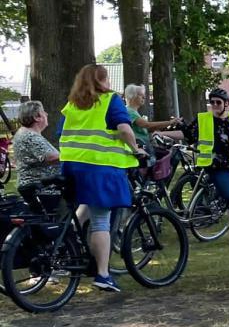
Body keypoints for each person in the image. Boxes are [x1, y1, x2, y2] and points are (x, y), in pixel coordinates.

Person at [57, 64, 146, 293]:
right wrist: (136, 149)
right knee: (100, 222)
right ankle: (103, 274)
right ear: (102, 81)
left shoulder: (72, 104)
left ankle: (66, 247)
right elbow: (125, 130)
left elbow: (61, 133)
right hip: (98, 167)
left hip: (71, 166)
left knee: (84, 208)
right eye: (106, 79)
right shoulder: (109, 100)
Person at [161, 88, 229, 245]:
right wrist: (162, 133)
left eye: (218, 102)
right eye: (212, 102)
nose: (214, 105)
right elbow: (186, 135)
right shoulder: (203, 119)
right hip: (216, 167)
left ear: (227, 103)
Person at [12, 100, 60, 207]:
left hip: (37, 186)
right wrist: (74, 155)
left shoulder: (26, 133)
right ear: (36, 117)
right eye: (43, 112)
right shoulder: (30, 136)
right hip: (42, 188)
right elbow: (50, 158)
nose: (46, 114)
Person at [122, 84, 179, 158]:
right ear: (132, 96)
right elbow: (146, 125)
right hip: (140, 148)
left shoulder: (134, 112)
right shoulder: (129, 111)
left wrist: (162, 128)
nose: (144, 97)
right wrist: (170, 122)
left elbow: (146, 128)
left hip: (144, 146)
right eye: (140, 95)